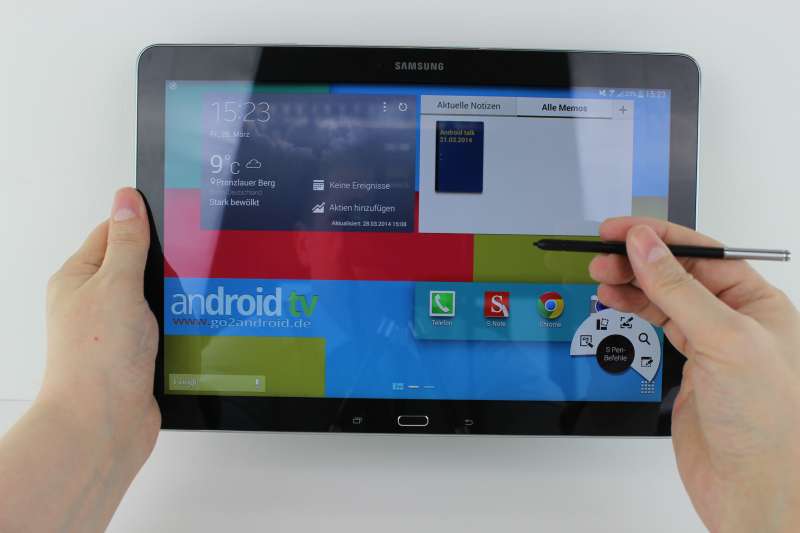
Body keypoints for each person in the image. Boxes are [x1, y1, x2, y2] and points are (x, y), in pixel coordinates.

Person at [0, 187, 798, 532]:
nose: (356, 250)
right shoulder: (232, 353)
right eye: (336, 227)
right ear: (303, 245)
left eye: (374, 230)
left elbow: (551, 399)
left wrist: (761, 490)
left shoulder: (494, 358)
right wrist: (91, 418)